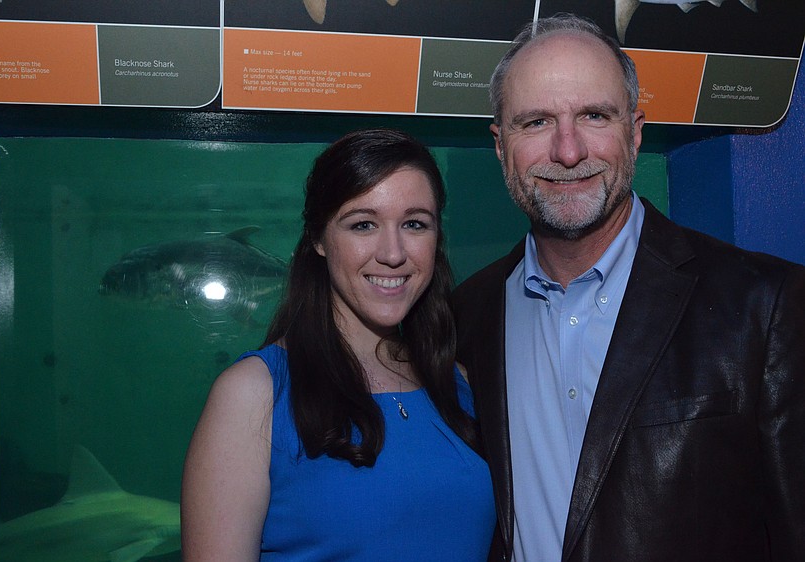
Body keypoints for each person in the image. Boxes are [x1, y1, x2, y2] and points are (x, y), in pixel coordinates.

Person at [452, 13, 805, 562]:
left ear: (634, 132)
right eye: (536, 122)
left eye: (594, 115)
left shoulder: (763, 305)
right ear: (501, 146)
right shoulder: (466, 315)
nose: (568, 152)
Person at [181, 128, 496, 561]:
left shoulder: (458, 384)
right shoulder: (254, 394)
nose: (392, 252)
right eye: (363, 224)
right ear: (318, 239)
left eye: (415, 224)